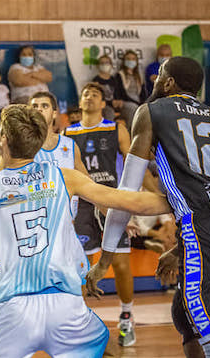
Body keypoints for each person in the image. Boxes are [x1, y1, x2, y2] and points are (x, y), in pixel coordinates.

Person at [0, 104, 176, 357]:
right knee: (107, 349)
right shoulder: (65, 177)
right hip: (65, 306)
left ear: (2, 140)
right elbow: (133, 202)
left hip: (10, 309)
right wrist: (185, 200)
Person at [87, 56, 210, 358]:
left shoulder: (151, 112)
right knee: (184, 314)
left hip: (199, 224)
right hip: (207, 222)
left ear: (169, 82)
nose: (155, 80)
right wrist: (179, 248)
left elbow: (125, 196)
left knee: (202, 318)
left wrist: (105, 260)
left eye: (160, 74)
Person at [65, 82, 136, 347]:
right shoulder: (66, 134)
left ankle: (127, 318)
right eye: (85, 94)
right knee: (79, 266)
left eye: (95, 94)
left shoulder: (116, 128)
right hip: (82, 203)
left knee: (119, 263)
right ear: (80, 102)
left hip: (110, 198)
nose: (89, 97)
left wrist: (135, 200)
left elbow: (132, 161)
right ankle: (79, 324)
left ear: (103, 102)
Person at [113, 50, 147, 126]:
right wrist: (137, 103)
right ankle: (131, 133)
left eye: (133, 59)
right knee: (133, 108)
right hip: (125, 102)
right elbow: (121, 93)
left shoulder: (139, 75)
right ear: (124, 61)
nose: (131, 61)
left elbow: (143, 93)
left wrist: (143, 103)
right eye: (128, 59)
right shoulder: (120, 75)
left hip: (137, 102)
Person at [92, 54, 121, 121]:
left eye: (107, 63)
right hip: (104, 105)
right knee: (109, 112)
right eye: (102, 63)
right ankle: (109, 130)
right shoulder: (96, 80)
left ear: (111, 65)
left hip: (115, 105)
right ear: (98, 66)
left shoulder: (113, 79)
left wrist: (118, 101)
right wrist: (111, 102)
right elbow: (97, 98)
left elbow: (117, 93)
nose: (104, 65)